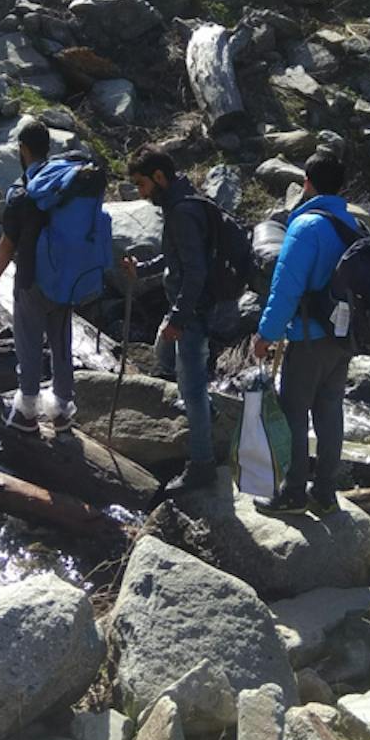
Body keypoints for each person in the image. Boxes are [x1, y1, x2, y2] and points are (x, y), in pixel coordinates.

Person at [251, 148, 353, 516]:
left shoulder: (306, 226)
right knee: (330, 411)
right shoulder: (353, 226)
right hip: (343, 338)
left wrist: (266, 334)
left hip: (308, 337)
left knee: (294, 410)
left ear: (306, 184)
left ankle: (293, 493)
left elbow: (286, 286)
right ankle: (325, 492)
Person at [122, 143, 216, 494]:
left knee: (190, 385)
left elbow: (195, 272)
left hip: (192, 308)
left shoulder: (181, 211)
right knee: (164, 355)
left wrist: (179, 317)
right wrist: (143, 270)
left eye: (143, 185)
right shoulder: (182, 199)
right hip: (187, 304)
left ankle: (202, 465)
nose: (142, 193)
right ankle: (205, 410)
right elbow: (174, 257)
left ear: (159, 176)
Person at [0, 119, 77, 433]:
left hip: (32, 280)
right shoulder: (68, 184)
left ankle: (26, 413)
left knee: (28, 343)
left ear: (23, 150)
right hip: (67, 279)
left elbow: (8, 243)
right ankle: (62, 410)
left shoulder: (22, 191)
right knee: (61, 342)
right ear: (48, 148)